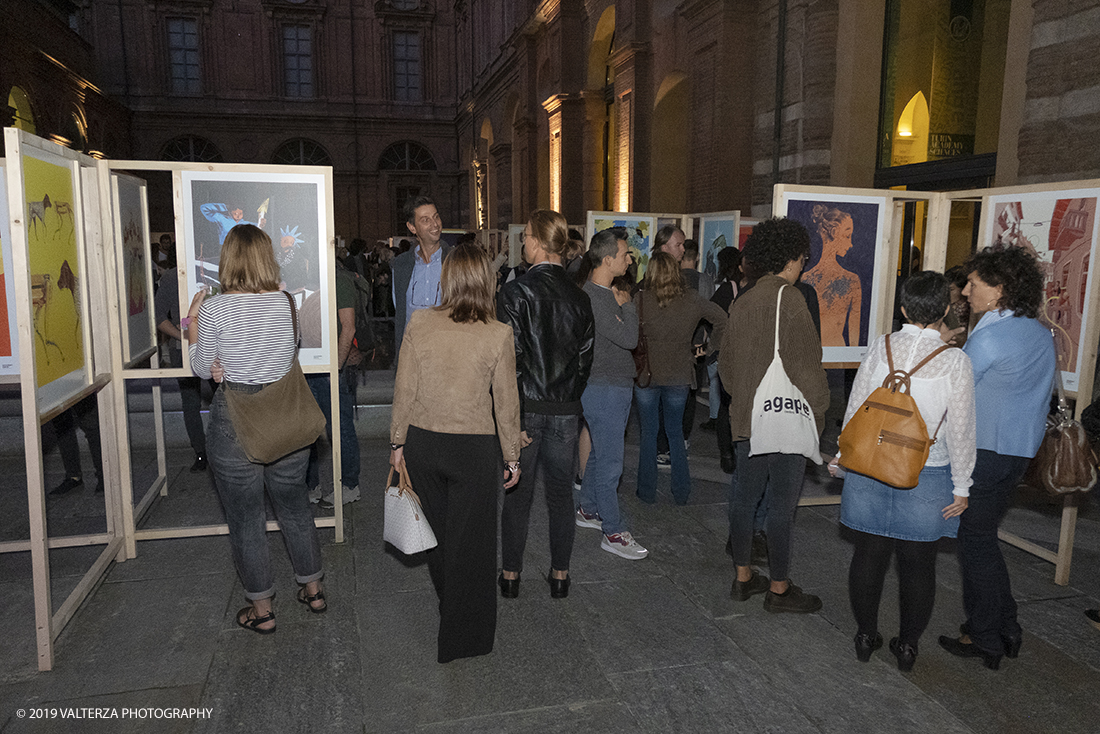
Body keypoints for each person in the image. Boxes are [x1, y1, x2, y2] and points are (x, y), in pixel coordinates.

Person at [830, 271, 975, 671]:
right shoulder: (956, 362)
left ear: (904, 308)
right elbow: (962, 430)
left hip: (871, 466)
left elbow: (857, 408)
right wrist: (962, 486)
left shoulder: (881, 348)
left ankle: (864, 635)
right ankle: (908, 646)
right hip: (928, 471)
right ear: (945, 309)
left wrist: (844, 458)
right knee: (919, 564)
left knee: (868, 554)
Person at [188, 223, 327, 635]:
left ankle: (262, 611)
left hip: (236, 420)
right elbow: (289, 351)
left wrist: (195, 322)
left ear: (227, 260)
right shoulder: (286, 303)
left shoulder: (214, 309)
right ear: (268, 258)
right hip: (286, 417)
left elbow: (199, 368)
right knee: (296, 508)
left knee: (247, 520)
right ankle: (314, 589)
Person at [390, 244, 521, 663]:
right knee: (474, 546)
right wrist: (512, 454)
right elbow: (506, 401)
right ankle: (465, 636)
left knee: (441, 541)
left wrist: (397, 443)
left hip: (424, 445)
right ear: (486, 280)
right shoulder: (497, 332)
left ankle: (452, 606)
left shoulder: (420, 322)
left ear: (447, 278)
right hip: (473, 449)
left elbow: (403, 388)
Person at [938, 246, 1056, 669]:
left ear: (1000, 289)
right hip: (1018, 454)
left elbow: (955, 389)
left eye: (975, 283)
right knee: (984, 538)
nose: (966, 290)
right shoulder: (1039, 331)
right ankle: (1006, 626)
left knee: (976, 543)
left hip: (985, 453)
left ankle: (986, 637)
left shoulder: (991, 334)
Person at [720, 218, 829, 614]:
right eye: (803, 258)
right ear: (792, 258)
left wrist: (745, 398)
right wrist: (818, 416)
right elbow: (806, 367)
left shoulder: (744, 298)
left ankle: (743, 577)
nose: (803, 265)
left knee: (744, 500)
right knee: (782, 506)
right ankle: (779, 589)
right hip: (783, 422)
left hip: (748, 419)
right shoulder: (791, 297)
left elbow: (726, 369)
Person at [498, 209, 594, 595]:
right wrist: (569, 396)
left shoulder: (515, 292)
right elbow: (585, 362)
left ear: (537, 242)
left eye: (525, 238)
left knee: (516, 495)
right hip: (566, 412)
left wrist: (511, 416)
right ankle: (560, 577)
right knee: (560, 498)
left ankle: (510, 577)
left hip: (525, 410)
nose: (522, 244)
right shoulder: (580, 297)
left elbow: (509, 362)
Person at [575, 228, 648, 558]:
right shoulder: (597, 298)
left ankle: (588, 509)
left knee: (601, 456)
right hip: (605, 389)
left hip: (609, 387)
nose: (629, 259)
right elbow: (629, 339)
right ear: (607, 259)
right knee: (611, 464)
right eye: (624, 254)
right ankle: (613, 531)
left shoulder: (602, 294)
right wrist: (629, 306)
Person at [633, 251, 727, 506]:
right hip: (679, 375)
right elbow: (721, 319)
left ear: (650, 273)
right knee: (675, 434)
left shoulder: (640, 299)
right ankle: (682, 491)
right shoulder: (692, 299)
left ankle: (646, 491)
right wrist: (708, 350)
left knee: (649, 433)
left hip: (646, 376)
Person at [305, 252, 362, 509]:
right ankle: (310, 486)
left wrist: (335, 370)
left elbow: (348, 327)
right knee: (308, 430)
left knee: (340, 430)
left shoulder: (339, 280)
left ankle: (349, 486)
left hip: (331, 369)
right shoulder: (308, 279)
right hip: (308, 365)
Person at [154, 265, 210, 473]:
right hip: (183, 349)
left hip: (212, 345)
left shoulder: (213, 270)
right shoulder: (172, 276)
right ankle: (201, 452)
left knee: (221, 400)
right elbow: (162, 317)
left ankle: (211, 450)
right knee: (190, 401)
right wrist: (184, 335)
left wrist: (185, 331)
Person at [391, 196, 453, 354]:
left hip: (447, 353)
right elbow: (400, 310)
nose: (435, 225)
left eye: (436, 217)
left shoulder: (455, 261)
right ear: (412, 227)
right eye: (425, 220)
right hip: (412, 355)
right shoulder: (400, 265)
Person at [802, 205, 861, 347]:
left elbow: (854, 335)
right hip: (812, 354)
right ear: (834, 232)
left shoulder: (852, 280)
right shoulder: (805, 279)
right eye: (847, 236)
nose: (851, 244)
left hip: (837, 356)